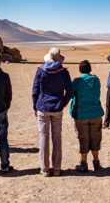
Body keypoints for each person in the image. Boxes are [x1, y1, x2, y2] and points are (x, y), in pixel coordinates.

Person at [32, 47, 73, 176]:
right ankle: (56, 169)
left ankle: (44, 169)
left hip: (43, 108)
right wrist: (63, 103)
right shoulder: (64, 72)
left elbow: (35, 91)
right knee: (57, 138)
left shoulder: (40, 71)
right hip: (57, 108)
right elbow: (70, 91)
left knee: (43, 137)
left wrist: (35, 106)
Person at [69, 60, 104, 173]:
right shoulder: (96, 80)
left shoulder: (77, 81)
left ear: (80, 70)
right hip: (96, 113)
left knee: (83, 138)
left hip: (81, 114)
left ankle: (83, 163)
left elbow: (71, 93)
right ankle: (96, 162)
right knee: (96, 137)